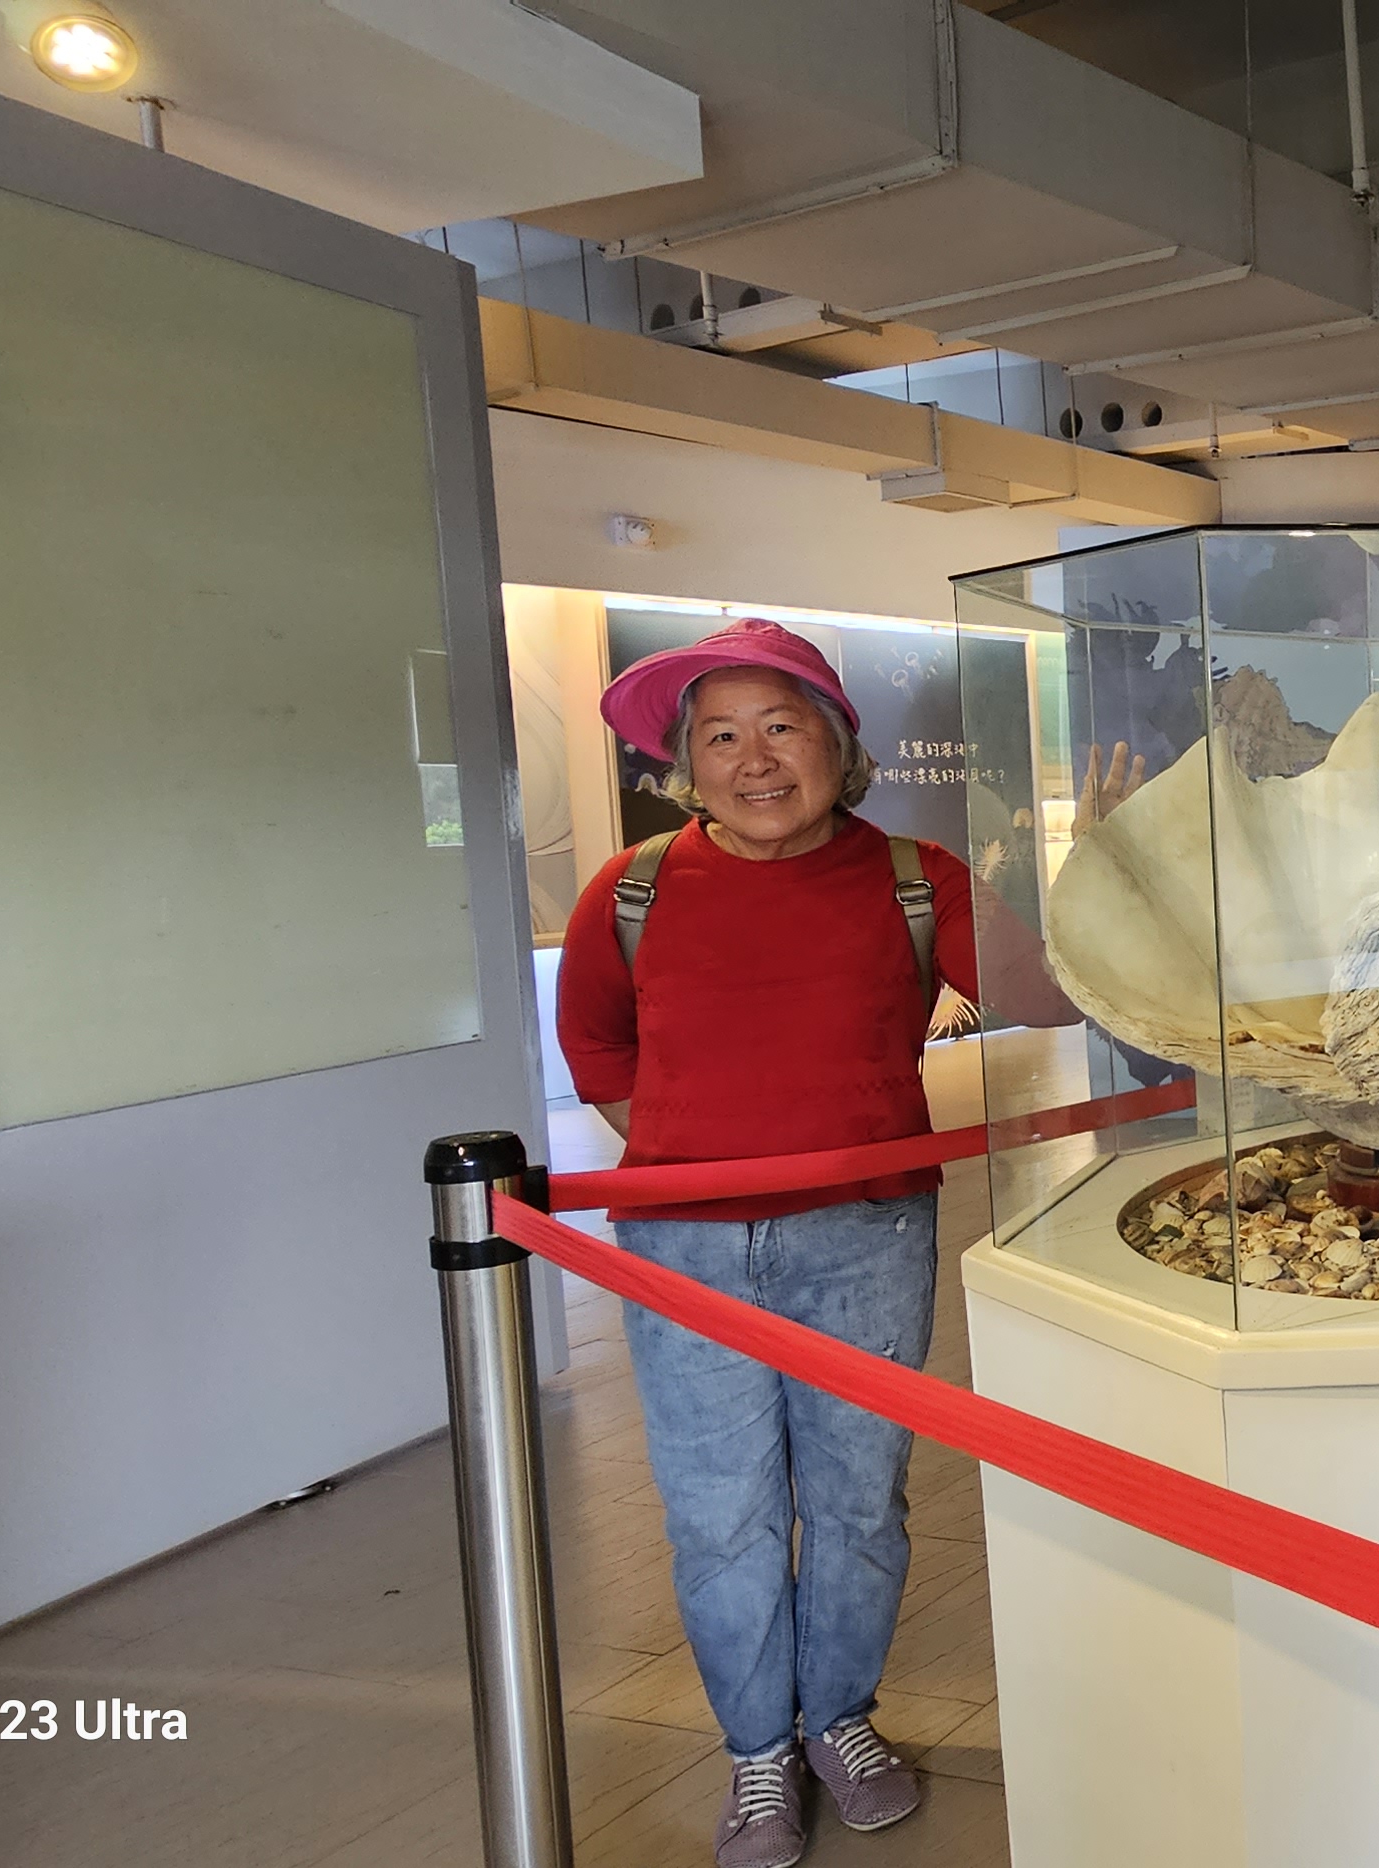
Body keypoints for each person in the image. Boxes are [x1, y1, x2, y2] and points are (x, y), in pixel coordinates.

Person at [557, 619, 973, 1868]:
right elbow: (599, 1049)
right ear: (687, 763)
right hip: (681, 1249)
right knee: (720, 1514)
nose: (754, 758)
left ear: (838, 746)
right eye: (721, 735)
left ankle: (838, 1717)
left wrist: (1099, 871)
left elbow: (1055, 992)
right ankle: (756, 1748)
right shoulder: (629, 889)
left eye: (782, 726)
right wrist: (697, 1152)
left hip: (867, 1235)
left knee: (857, 1501)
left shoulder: (914, 876)